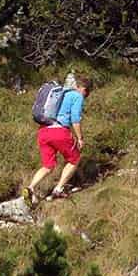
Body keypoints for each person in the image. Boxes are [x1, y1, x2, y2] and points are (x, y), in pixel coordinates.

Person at [26, 72, 88, 202]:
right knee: (75, 159)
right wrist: (80, 138)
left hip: (43, 131)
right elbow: (75, 119)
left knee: (48, 166)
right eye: (86, 93)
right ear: (82, 88)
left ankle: (30, 188)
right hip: (59, 131)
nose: (85, 96)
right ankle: (58, 189)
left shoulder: (60, 93)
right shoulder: (77, 96)